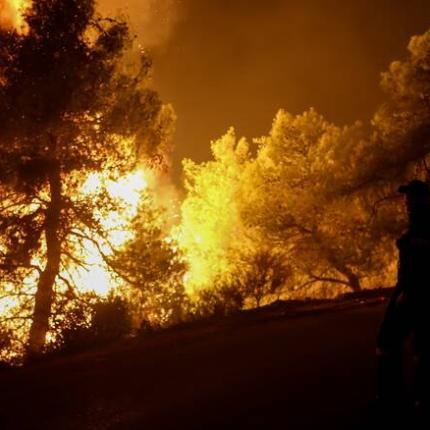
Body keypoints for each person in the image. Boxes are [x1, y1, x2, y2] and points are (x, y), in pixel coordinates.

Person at [376, 179, 430, 420]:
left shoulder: (424, 224)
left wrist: (407, 292)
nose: (406, 201)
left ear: (422, 200)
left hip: (416, 293)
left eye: (410, 196)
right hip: (410, 291)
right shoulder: (416, 224)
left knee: (389, 341)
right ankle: (412, 398)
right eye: (406, 197)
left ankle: (396, 398)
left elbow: (420, 263)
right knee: (420, 345)